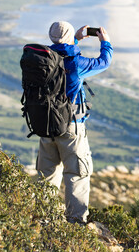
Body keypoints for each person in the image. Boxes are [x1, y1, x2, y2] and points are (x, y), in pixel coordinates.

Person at [36, 21, 113, 225]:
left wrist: (75, 39)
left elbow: (60, 51)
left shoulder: (42, 59)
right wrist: (105, 43)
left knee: (47, 173)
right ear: (69, 38)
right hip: (70, 126)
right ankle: (75, 223)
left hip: (45, 124)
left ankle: (42, 217)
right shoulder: (76, 64)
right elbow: (104, 62)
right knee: (77, 173)